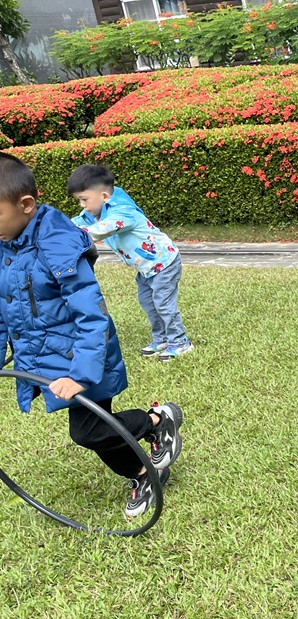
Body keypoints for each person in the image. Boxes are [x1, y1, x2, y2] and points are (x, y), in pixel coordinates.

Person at [0, 153, 182, 519]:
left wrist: (81, 375)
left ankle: (157, 422)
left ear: (26, 204)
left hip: (85, 357)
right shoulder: (7, 243)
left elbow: (92, 315)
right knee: (94, 430)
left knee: (89, 431)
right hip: (53, 359)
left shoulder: (57, 244)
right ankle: (143, 469)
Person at [67, 164, 192, 362]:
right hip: (145, 268)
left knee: (163, 303)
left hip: (164, 262)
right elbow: (75, 224)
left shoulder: (124, 212)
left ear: (104, 196)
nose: (82, 205)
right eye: (79, 200)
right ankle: (161, 338)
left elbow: (102, 229)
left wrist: (76, 234)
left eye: (84, 199)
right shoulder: (94, 213)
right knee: (148, 302)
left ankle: (180, 341)